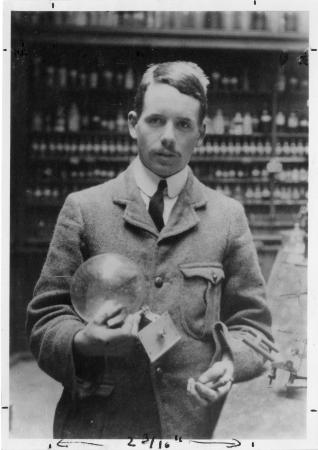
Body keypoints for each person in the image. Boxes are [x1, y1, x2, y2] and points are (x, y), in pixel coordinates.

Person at [26, 61, 273, 439]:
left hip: (193, 424)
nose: (169, 137)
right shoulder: (84, 208)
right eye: (156, 120)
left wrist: (230, 358)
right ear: (132, 124)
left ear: (202, 134)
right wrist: (81, 341)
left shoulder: (227, 217)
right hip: (102, 423)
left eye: (184, 124)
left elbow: (254, 327)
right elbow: (45, 320)